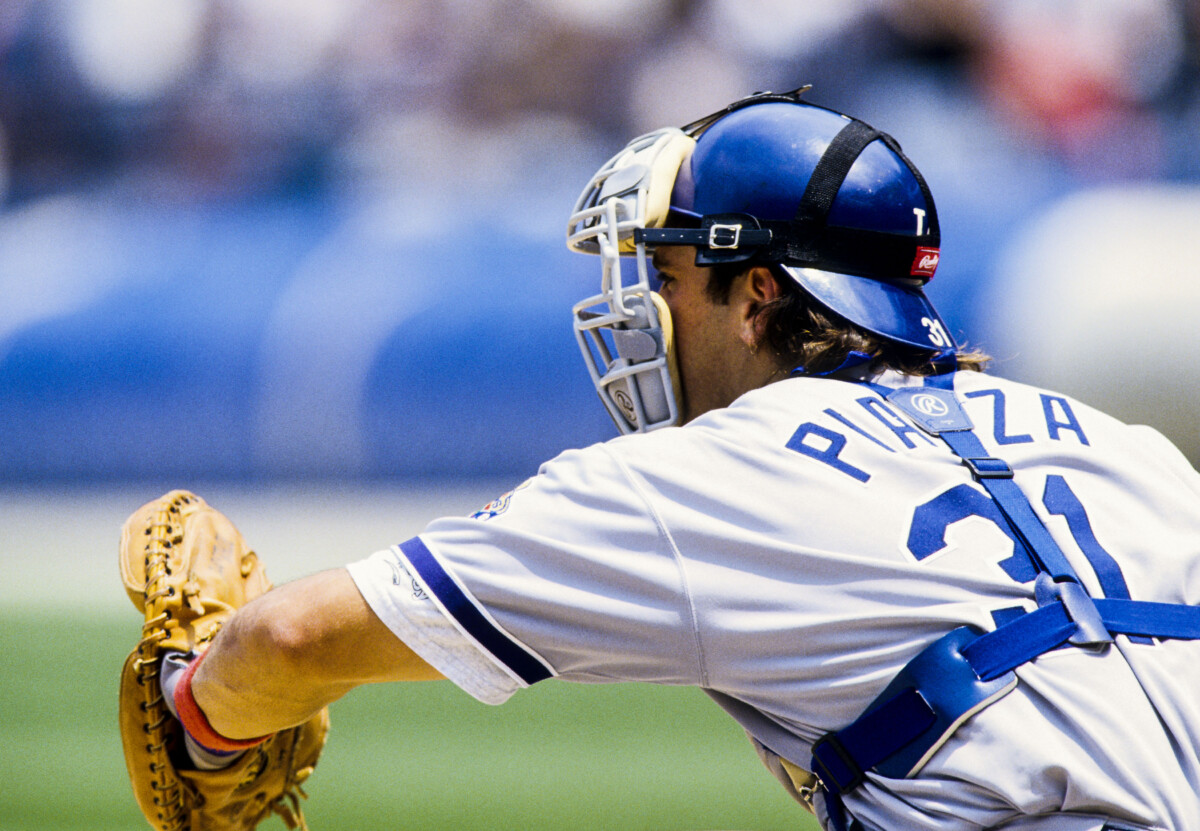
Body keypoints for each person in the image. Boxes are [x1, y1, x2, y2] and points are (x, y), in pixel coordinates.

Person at [123, 88, 1200, 830]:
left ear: (757, 293)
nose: (646, 307)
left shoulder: (716, 473)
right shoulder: (1130, 451)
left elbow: (294, 638)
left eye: (671, 276)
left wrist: (199, 711)